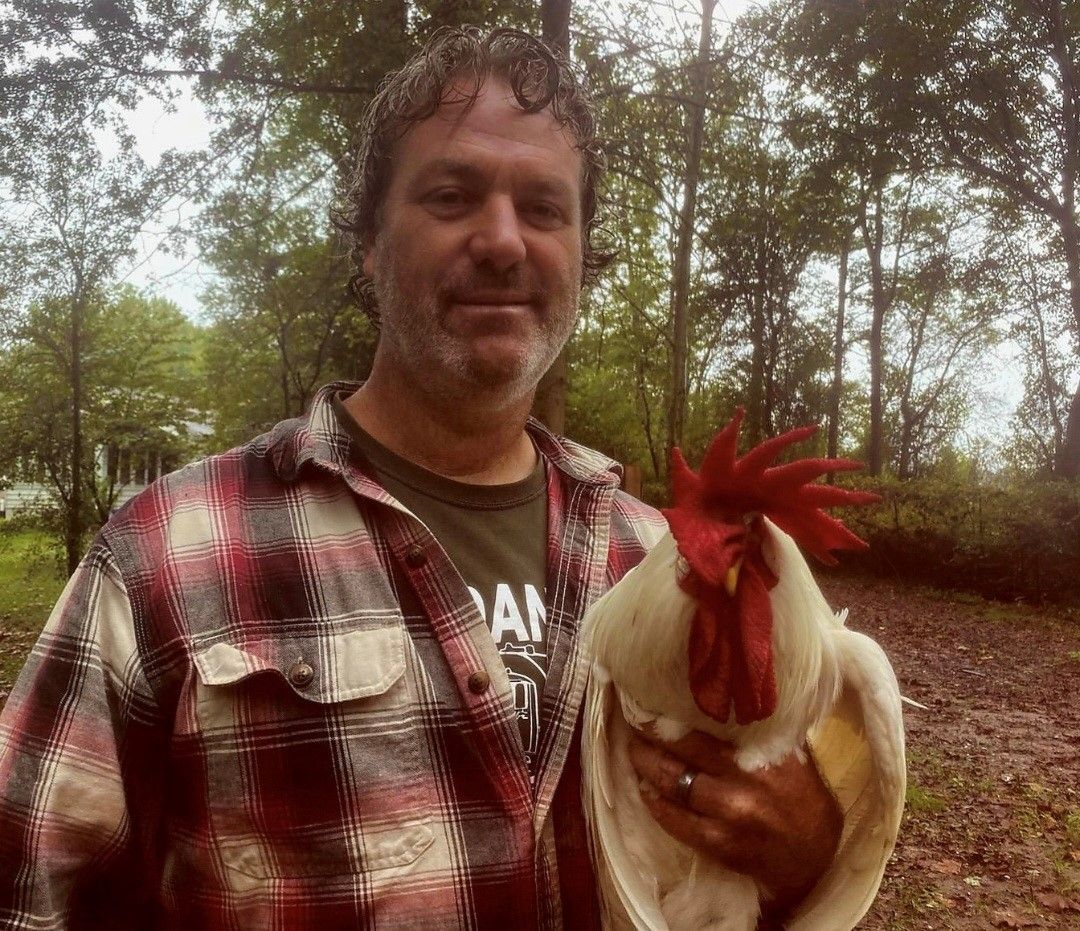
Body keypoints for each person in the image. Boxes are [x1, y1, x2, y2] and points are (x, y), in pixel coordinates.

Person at [0, 27, 841, 929]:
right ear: (368, 241)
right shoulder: (170, 553)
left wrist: (803, 857)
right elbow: (28, 889)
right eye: (452, 196)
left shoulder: (655, 557)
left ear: (584, 257)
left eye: (547, 209)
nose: (504, 241)